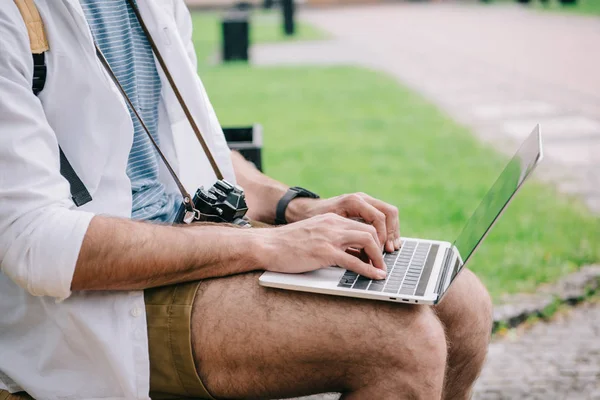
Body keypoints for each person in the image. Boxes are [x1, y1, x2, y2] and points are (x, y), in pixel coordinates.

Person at [0, 1, 493, 399]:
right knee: (400, 343)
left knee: (464, 301)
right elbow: (34, 243)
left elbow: (205, 152)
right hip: (94, 299)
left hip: (200, 242)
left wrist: (295, 207)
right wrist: (266, 247)